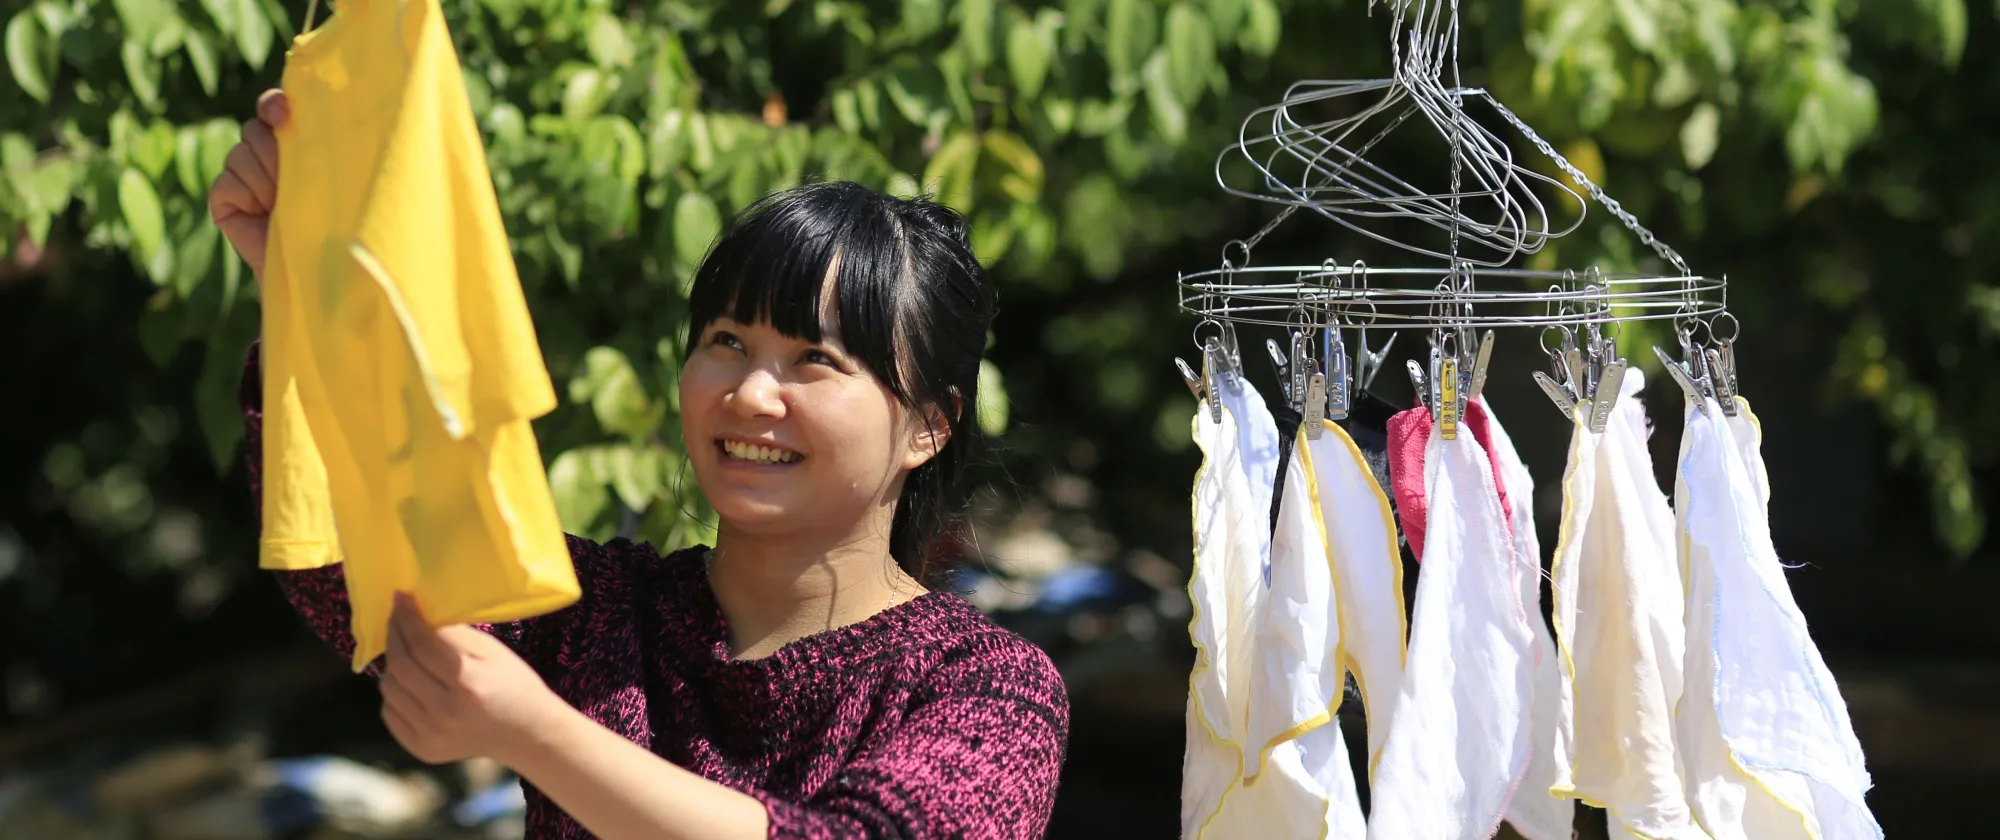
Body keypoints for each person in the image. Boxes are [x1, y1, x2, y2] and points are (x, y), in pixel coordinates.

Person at [208, 89, 1069, 840]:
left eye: (814, 359)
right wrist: (298, 280)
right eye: (727, 342)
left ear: (929, 426)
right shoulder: (589, 613)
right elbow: (344, 560)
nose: (752, 394)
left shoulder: (990, 687)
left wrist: (535, 733)